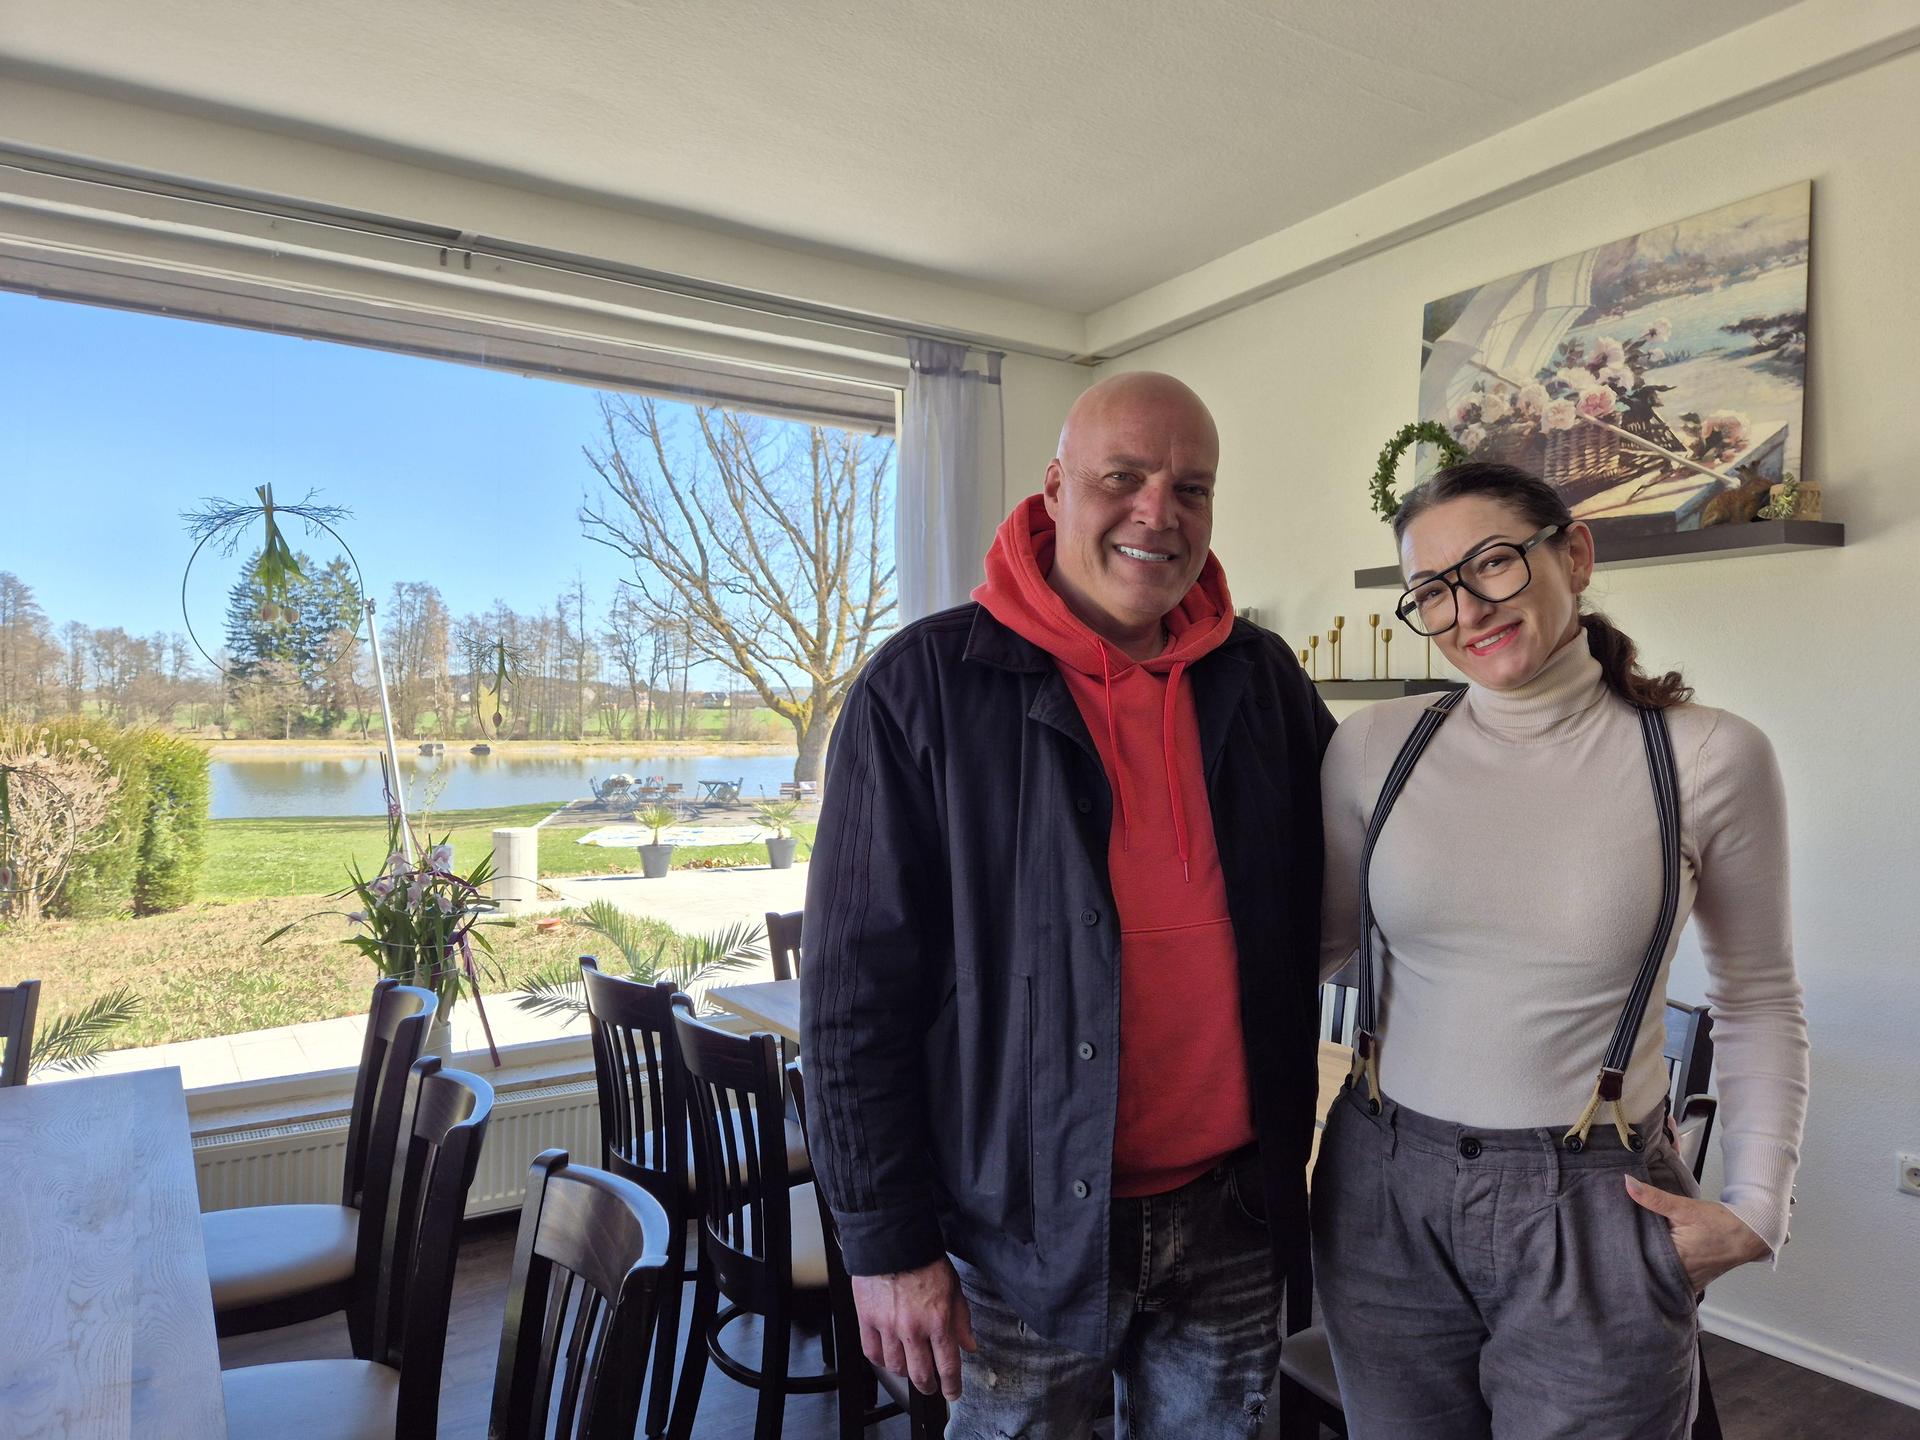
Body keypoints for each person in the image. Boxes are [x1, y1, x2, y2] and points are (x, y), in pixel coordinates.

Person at [801, 371, 1334, 1436]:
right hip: (1015, 1231)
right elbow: (853, 1000)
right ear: (1054, 490)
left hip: (1232, 1216)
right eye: (1122, 479)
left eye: (1191, 488)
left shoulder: (1263, 680)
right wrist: (888, 1246)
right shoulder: (923, 686)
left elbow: (1379, 867)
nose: (1158, 513)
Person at [1314, 461, 1810, 1439]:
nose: (1467, 608)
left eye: (1492, 563)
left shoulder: (1706, 756)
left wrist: (1758, 1206)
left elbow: (1758, 997)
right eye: (1431, 589)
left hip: (1594, 1203)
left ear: (1574, 555)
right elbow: (1318, 952)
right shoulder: (1373, 747)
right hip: (1379, 1190)